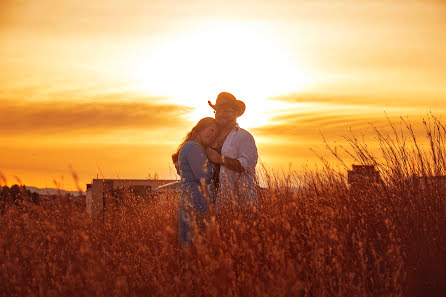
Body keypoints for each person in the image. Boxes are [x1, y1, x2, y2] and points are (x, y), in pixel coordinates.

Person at [205, 92, 258, 207]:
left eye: (226, 110)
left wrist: (219, 159)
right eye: (218, 110)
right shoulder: (210, 137)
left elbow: (244, 166)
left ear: (235, 113)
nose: (221, 114)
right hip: (214, 204)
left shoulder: (244, 137)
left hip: (240, 203)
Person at [172, 117, 218, 245]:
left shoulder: (191, 147)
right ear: (200, 129)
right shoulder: (193, 146)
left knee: (190, 243)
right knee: (196, 244)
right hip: (195, 200)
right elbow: (203, 175)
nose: (212, 135)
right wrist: (214, 164)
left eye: (215, 133)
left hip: (189, 200)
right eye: (211, 130)